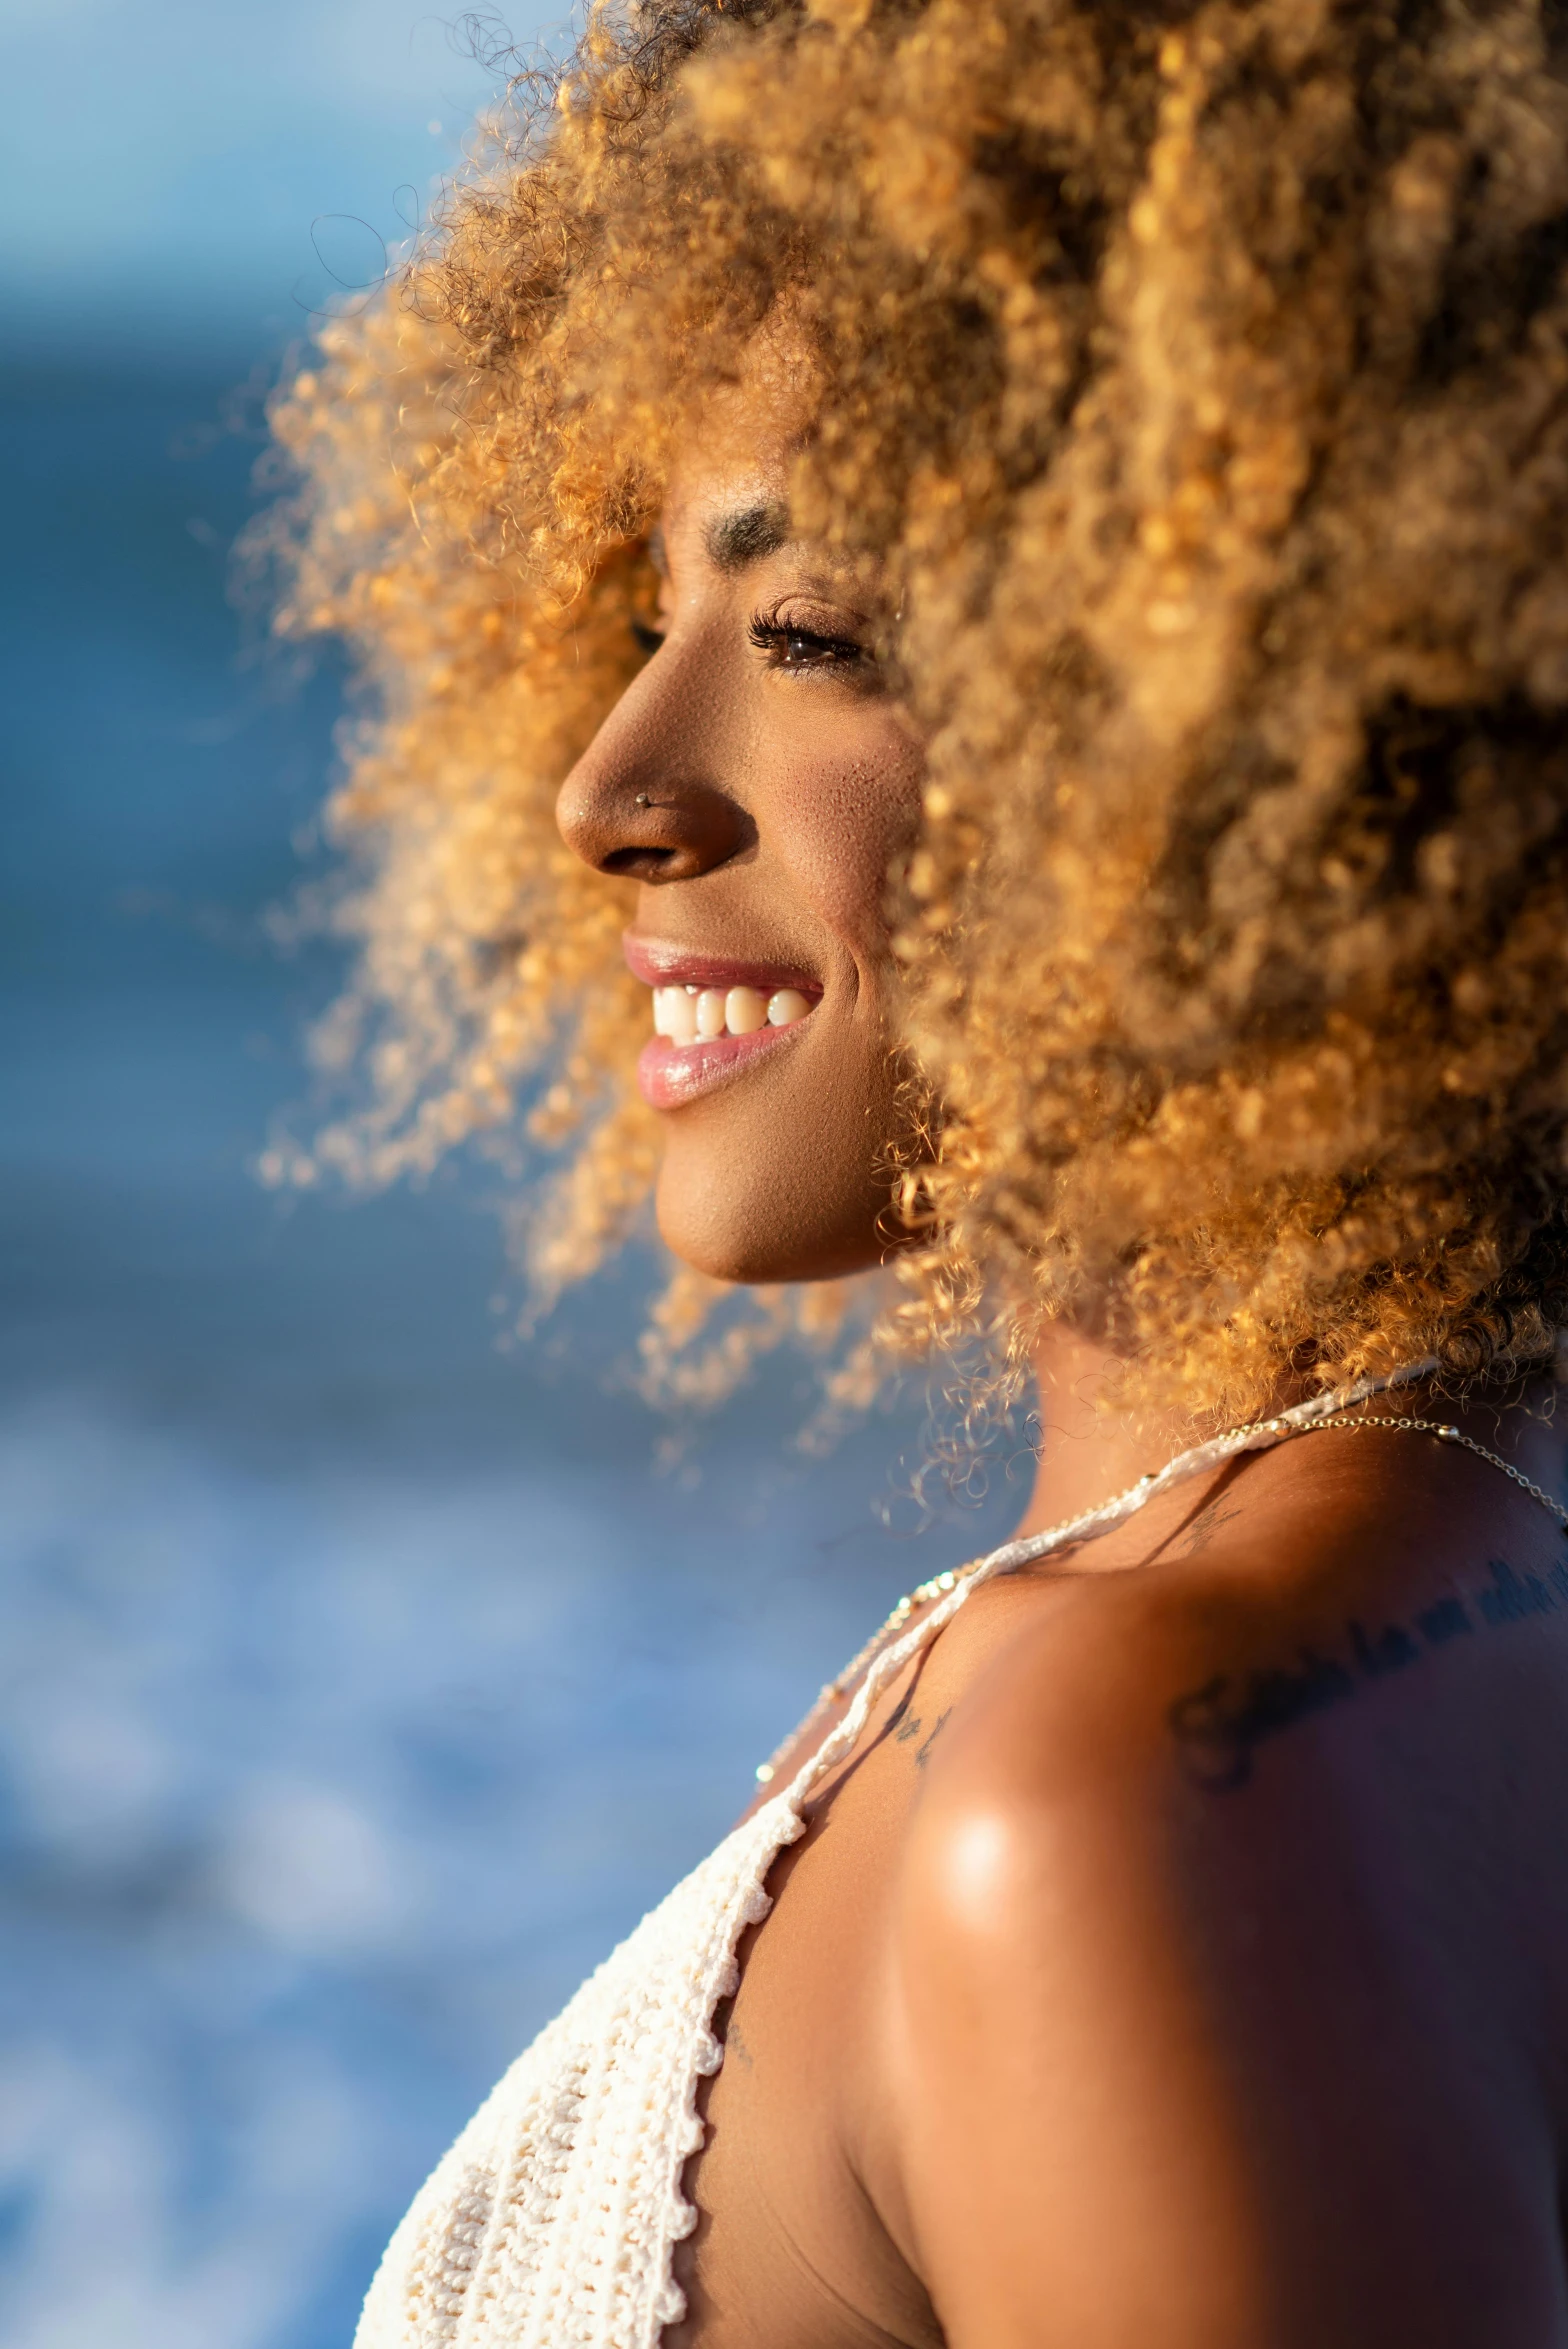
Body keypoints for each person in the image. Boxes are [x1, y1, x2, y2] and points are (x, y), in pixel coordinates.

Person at [271, 2, 1568, 2341]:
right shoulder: (1443, 1592)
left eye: (809, 631)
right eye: (646, 612)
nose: (610, 780)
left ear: (1272, 682)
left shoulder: (1126, 1791)